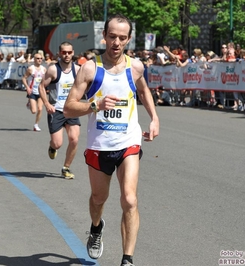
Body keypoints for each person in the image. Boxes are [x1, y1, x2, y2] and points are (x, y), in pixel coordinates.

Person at [63, 14, 159, 266]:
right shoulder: (90, 68)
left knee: (129, 199)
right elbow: (69, 109)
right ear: (104, 36)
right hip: (99, 145)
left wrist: (154, 117)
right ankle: (96, 228)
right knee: (98, 199)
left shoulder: (135, 67)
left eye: (122, 38)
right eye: (112, 36)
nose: (117, 42)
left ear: (128, 39)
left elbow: (143, 90)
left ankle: (127, 259)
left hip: (128, 141)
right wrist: (95, 105)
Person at [39, 42, 81, 179]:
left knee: (74, 139)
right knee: (58, 143)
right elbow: (41, 86)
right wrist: (46, 104)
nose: (67, 55)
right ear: (59, 53)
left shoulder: (78, 69)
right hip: (56, 110)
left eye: (69, 52)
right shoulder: (53, 69)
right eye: (64, 52)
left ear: (73, 53)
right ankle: (52, 146)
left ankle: (66, 168)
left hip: (72, 109)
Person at [22, 53, 46, 132]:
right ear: (34, 60)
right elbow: (24, 78)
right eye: (38, 58)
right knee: (34, 111)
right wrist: (27, 87)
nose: (40, 60)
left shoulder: (44, 69)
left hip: (40, 91)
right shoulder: (30, 69)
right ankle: (29, 103)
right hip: (32, 91)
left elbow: (45, 80)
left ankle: (36, 125)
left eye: (41, 58)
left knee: (40, 109)